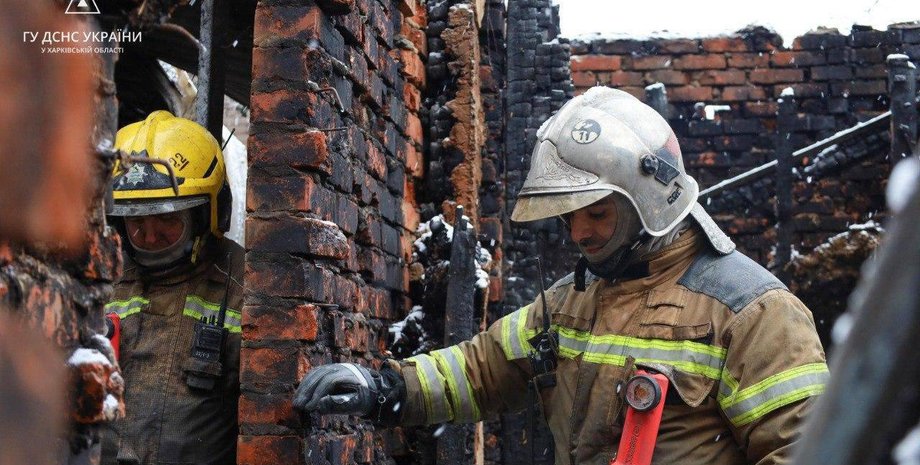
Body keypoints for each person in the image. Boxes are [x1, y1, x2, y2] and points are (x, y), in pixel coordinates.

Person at [293, 87, 828, 465]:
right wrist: (385, 388)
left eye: (596, 213)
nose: (580, 233)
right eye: (570, 216)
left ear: (648, 202)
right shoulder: (574, 301)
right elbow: (482, 369)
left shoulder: (757, 314)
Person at [101, 111, 243, 465]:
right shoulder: (102, 276)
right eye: (136, 222)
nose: (150, 237)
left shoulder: (241, 285)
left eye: (167, 219)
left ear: (205, 215)